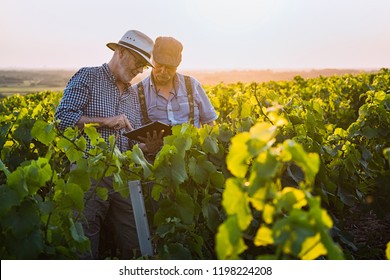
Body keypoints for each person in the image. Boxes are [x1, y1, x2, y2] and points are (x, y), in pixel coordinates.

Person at [54, 30, 162, 259]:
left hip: (125, 176)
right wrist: (105, 121)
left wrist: (149, 148)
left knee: (138, 242)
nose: (139, 70)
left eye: (144, 66)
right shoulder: (88, 77)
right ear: (121, 52)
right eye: (138, 62)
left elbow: (133, 144)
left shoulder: (133, 95)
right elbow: (62, 120)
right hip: (90, 173)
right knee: (84, 243)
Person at [133, 36, 218, 129]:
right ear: (152, 59)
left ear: (178, 64)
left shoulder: (193, 85)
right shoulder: (136, 92)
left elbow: (210, 122)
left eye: (169, 67)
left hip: (194, 144)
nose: (163, 71)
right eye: (160, 65)